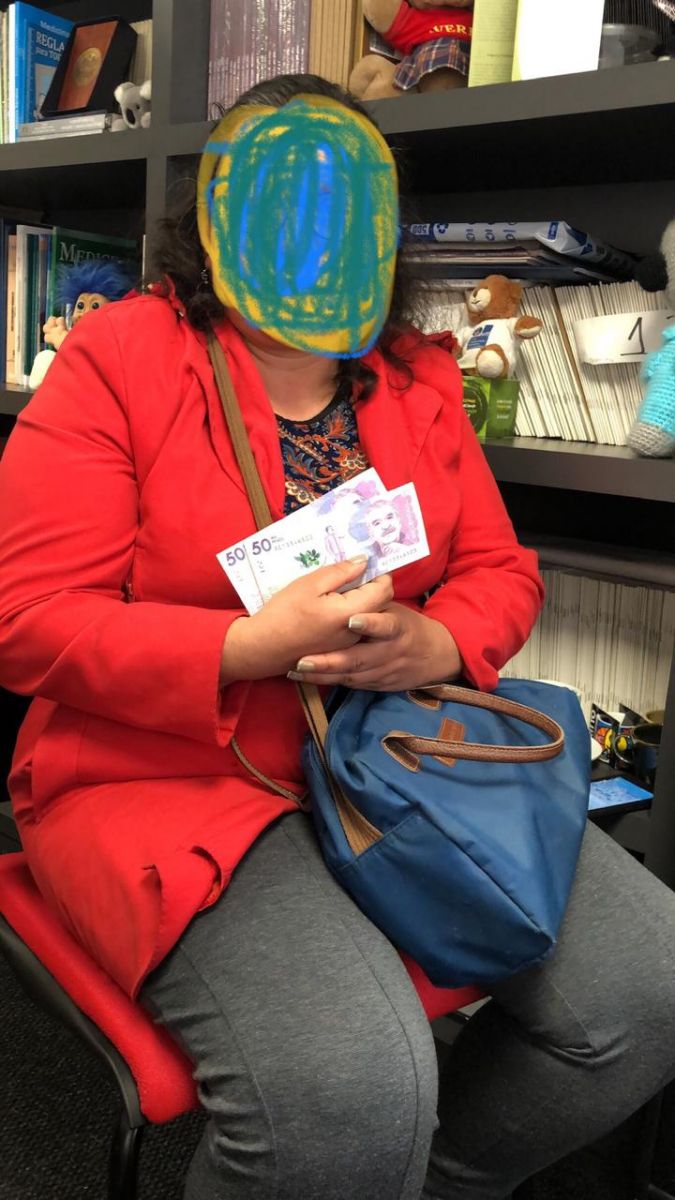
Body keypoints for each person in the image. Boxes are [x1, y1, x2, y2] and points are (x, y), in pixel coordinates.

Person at [1, 74, 675, 1200]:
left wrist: (437, 641)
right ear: (215, 222)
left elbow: (500, 571)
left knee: (647, 987)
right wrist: (242, 649)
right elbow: (24, 621)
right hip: (166, 779)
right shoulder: (119, 357)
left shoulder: (417, 377)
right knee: (351, 1086)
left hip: (399, 751)